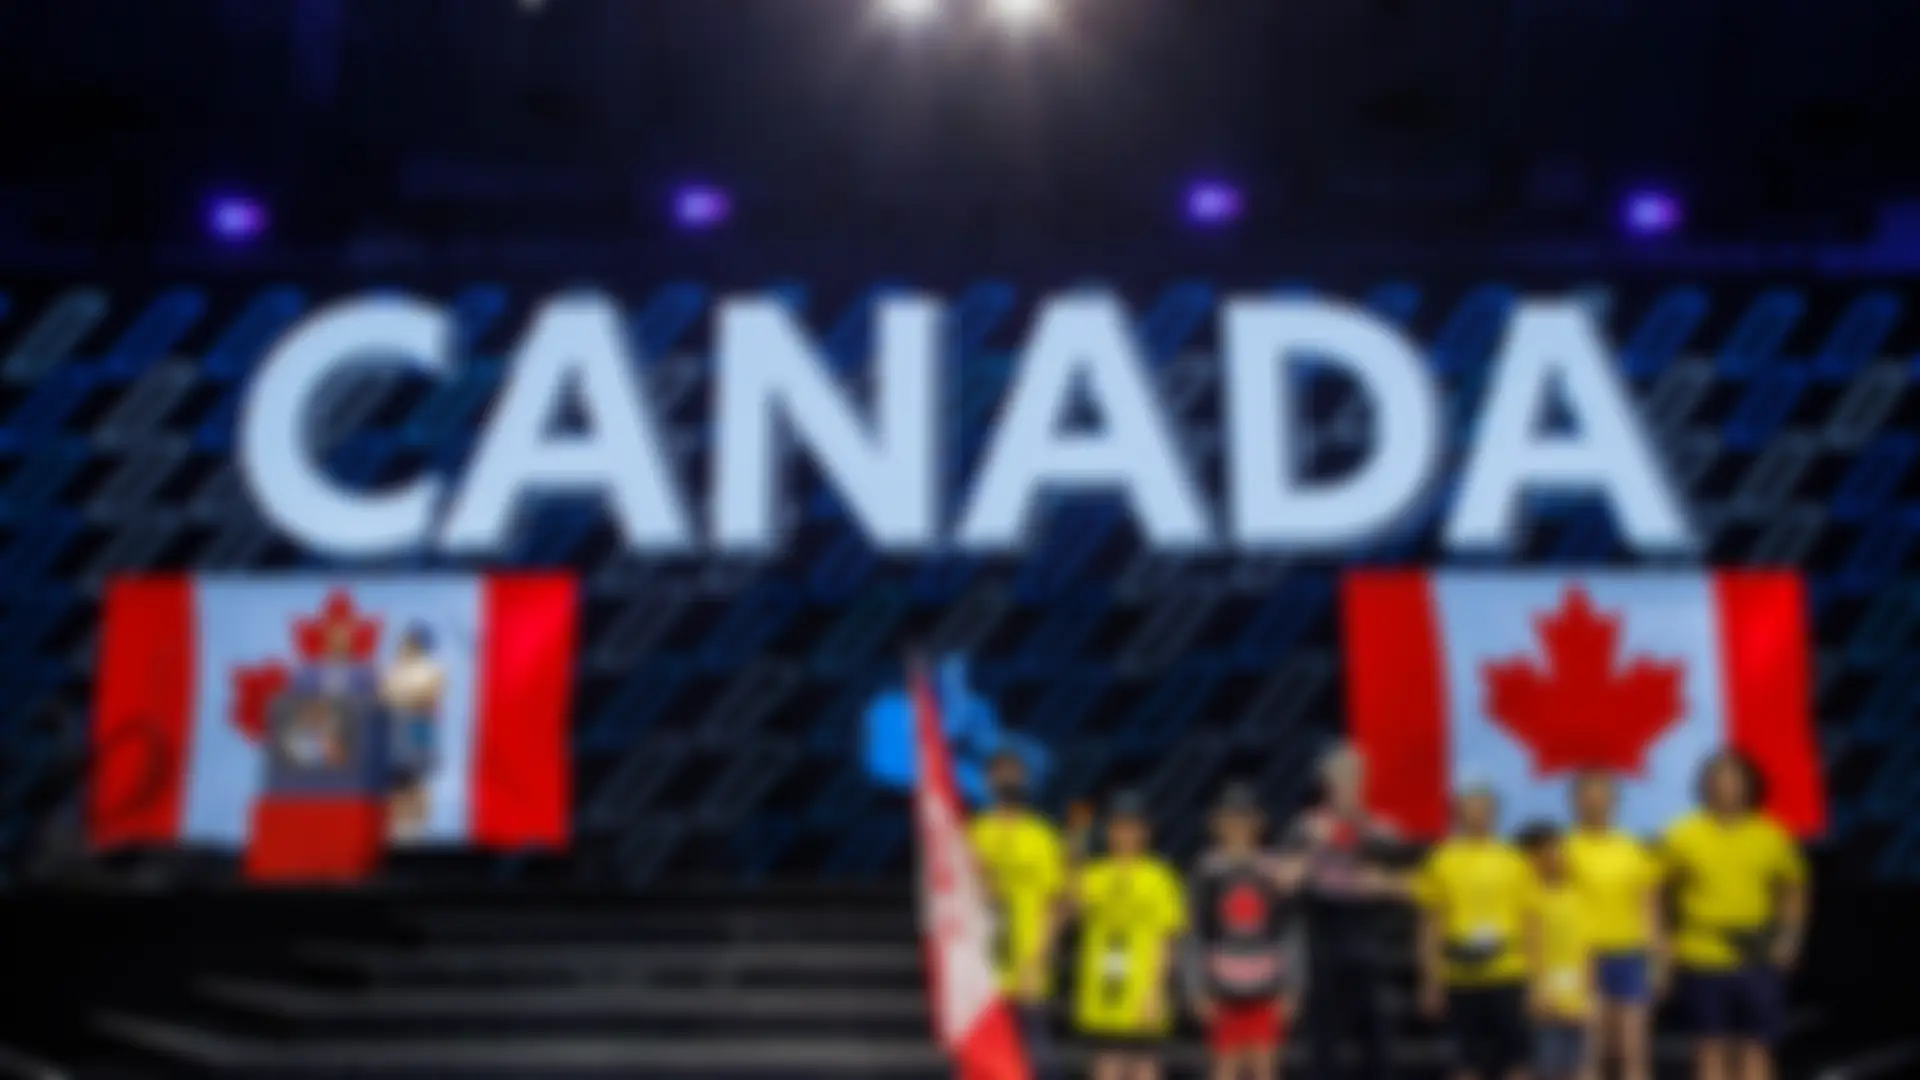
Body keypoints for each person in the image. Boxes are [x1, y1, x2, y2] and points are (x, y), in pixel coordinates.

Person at [1662, 750, 1810, 1080]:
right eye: (1717, 778)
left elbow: (1793, 890)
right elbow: (1661, 895)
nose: (1725, 786)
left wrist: (1790, 939)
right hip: (1701, 953)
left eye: (1733, 778)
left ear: (1749, 785)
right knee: (1708, 1046)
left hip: (1756, 954)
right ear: (1705, 785)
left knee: (1756, 1046)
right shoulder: (1682, 835)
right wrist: (1665, 944)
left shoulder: (1771, 835)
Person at [1285, 742, 1401, 1080]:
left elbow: (1407, 884)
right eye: (1340, 778)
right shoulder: (1307, 827)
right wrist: (1310, 859)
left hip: (1366, 932)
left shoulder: (1381, 829)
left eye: (1354, 778)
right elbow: (1285, 879)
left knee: (1375, 1029)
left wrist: (1384, 883)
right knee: (1325, 1032)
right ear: (1326, 783)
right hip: (1325, 929)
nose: (1348, 785)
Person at [1414, 784, 1535, 1080]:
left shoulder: (1515, 861)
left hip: (1507, 972)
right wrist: (1431, 980)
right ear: (1458, 813)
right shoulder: (1442, 860)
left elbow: (1531, 923)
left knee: (1516, 1060)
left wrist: (1535, 979)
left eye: (1484, 807)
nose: (1478, 814)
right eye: (1471, 807)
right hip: (1460, 974)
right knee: (1463, 1062)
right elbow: (1431, 925)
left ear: (1495, 813)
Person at [1186, 782, 1304, 1080]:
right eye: (1232, 819)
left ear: (1259, 823)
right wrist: (1196, 989)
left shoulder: (1275, 870)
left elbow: (1290, 933)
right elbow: (1194, 936)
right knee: (1225, 1068)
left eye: (1245, 819)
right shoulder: (1206, 871)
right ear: (1217, 823)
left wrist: (1292, 988)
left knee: (1264, 1067)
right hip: (1223, 988)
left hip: (1265, 988)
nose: (1238, 827)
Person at [1073, 791, 1188, 1080]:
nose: (1125, 835)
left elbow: (1167, 939)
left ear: (1145, 832)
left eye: (1132, 827)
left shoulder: (1159, 878)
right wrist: (1076, 841)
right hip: (1103, 989)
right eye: (1118, 827)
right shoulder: (1093, 875)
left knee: (1144, 1065)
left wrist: (1155, 989)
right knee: (1106, 1064)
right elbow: (1067, 908)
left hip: (1142, 988)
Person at [968, 750, 1068, 1080]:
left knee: (1034, 1050)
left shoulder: (1042, 836)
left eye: (1014, 773)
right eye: (1001, 774)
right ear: (988, 782)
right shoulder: (975, 833)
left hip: (1028, 959)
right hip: (984, 964)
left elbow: (1058, 903)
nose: (1007, 780)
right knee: (984, 1054)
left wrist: (1041, 955)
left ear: (1025, 780)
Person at [1565, 772, 1664, 1080]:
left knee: (1632, 1048)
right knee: (1588, 1051)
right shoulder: (1562, 851)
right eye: (1587, 796)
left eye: (1602, 795)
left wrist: (1657, 960)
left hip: (1629, 954)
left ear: (1614, 801)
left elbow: (1650, 909)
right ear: (1574, 802)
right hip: (1581, 957)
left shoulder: (1633, 849)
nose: (1595, 803)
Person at [1520, 820, 1597, 1080]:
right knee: (1547, 1065)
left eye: (1559, 852)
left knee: (1576, 1065)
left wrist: (1589, 992)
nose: (1556, 859)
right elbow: (1531, 948)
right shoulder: (1531, 898)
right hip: (1547, 996)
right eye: (1548, 853)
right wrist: (1537, 989)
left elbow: (1587, 949)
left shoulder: (1578, 897)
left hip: (1576, 998)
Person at [381, 624, 446, 843]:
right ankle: (397, 831)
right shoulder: (392, 670)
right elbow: (385, 696)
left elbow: (425, 695)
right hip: (393, 736)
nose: (407, 647)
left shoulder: (431, 670)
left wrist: (401, 698)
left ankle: (415, 832)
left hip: (418, 734)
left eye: (413, 643)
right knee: (395, 786)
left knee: (416, 782)